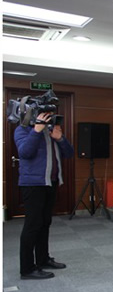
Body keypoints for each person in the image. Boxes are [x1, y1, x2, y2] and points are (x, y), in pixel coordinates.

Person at [15, 112, 74, 280]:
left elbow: (69, 153)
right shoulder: (22, 130)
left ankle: (42, 259)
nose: (48, 118)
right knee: (32, 225)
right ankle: (27, 269)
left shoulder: (50, 131)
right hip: (32, 184)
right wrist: (36, 130)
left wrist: (60, 138)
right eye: (44, 115)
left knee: (45, 223)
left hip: (50, 182)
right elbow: (25, 152)